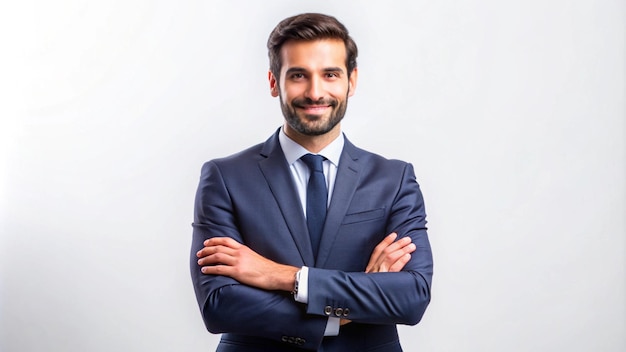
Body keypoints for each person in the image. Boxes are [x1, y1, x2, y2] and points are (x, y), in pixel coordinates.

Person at [190, 13, 433, 351]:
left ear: (351, 81)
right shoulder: (225, 177)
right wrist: (353, 305)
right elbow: (219, 304)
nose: (315, 92)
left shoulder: (393, 179)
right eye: (299, 75)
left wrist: (281, 276)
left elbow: (411, 297)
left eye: (330, 74)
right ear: (275, 83)